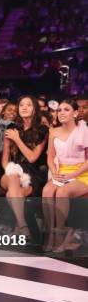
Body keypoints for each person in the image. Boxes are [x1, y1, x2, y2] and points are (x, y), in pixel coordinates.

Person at [41, 100, 88, 253]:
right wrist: (55, 172)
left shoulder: (84, 131)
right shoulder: (53, 132)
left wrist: (73, 174)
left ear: (75, 113)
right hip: (61, 172)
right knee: (47, 191)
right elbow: (50, 157)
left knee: (62, 192)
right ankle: (50, 234)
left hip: (82, 173)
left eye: (66, 109)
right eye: (59, 110)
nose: (61, 112)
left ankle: (60, 234)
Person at [0, 95, 48, 237]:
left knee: (12, 195)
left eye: (29, 105)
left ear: (35, 109)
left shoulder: (42, 130)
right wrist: (9, 169)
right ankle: (23, 225)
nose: (24, 108)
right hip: (10, 172)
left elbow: (32, 158)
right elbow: (5, 158)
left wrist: (17, 139)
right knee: (13, 175)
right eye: (21, 105)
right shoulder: (11, 127)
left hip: (31, 174)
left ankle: (19, 227)